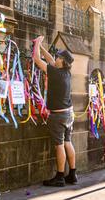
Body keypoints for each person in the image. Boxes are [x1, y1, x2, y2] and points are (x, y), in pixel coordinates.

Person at [32, 36, 77, 187]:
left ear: (63, 61)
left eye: (59, 57)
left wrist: (37, 44)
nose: (56, 58)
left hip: (58, 116)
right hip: (69, 114)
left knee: (59, 145)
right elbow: (50, 60)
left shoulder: (56, 73)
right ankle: (72, 174)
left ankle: (59, 177)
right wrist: (43, 47)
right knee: (67, 142)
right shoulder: (65, 73)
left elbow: (37, 60)